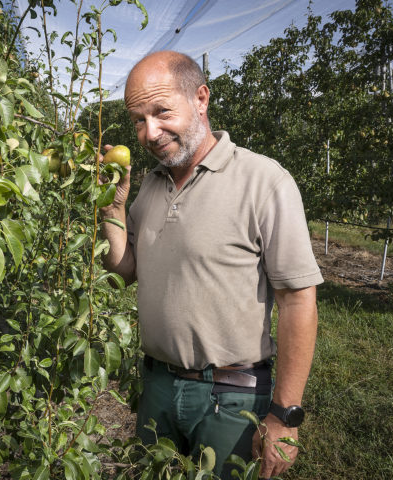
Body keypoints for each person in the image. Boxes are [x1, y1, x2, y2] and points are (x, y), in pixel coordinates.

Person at [98, 50, 323, 479]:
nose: (150, 132)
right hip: (158, 386)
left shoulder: (264, 180)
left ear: (200, 98)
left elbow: (297, 301)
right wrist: (113, 209)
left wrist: (284, 416)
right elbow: (125, 270)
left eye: (162, 112)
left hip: (231, 396)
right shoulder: (149, 184)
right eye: (138, 120)